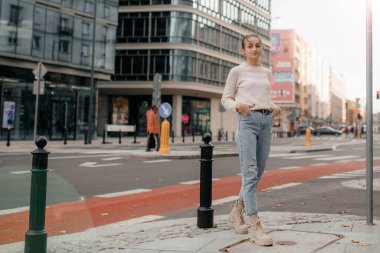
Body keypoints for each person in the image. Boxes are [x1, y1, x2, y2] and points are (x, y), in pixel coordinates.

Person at [221, 34, 280, 246]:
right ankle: (255, 224)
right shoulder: (236, 71)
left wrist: (273, 106)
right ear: (243, 50)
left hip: (266, 121)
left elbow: (264, 96)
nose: (254, 49)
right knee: (250, 172)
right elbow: (225, 98)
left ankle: (236, 211)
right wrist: (239, 105)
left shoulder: (266, 72)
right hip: (247, 121)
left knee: (258, 173)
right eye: (250, 46)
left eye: (258, 46)